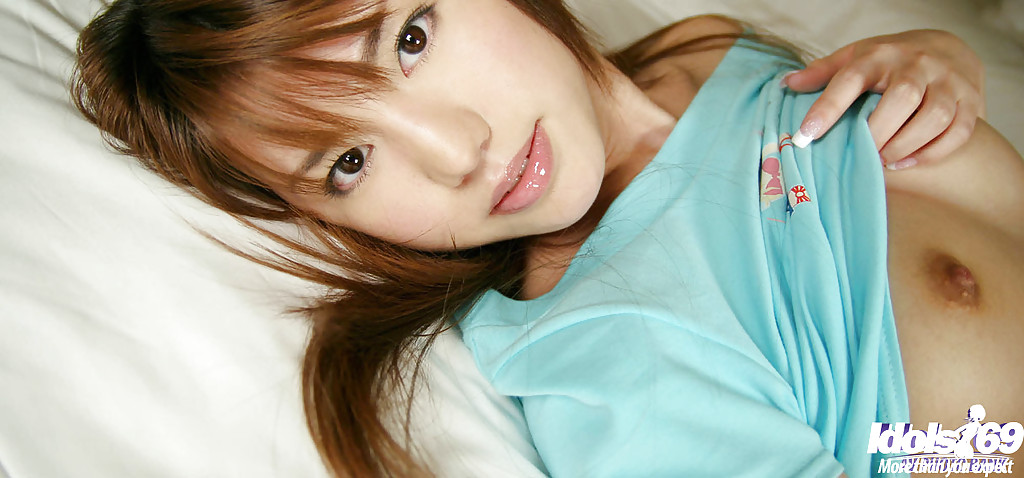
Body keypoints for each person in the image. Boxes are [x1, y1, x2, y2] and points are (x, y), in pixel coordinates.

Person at [71, 0, 1023, 476]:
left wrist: (935, 63)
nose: (457, 153)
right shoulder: (610, 351)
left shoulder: (703, 49)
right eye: (348, 164)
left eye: (410, 39)